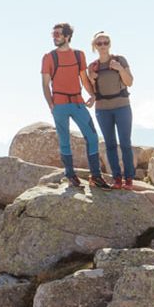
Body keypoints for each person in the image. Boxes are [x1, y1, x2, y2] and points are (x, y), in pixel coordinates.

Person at [40, 23, 108, 189]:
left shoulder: (79, 55)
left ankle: (96, 176)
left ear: (67, 36)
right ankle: (70, 174)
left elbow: (84, 79)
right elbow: (45, 84)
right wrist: (51, 105)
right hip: (60, 105)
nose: (54, 36)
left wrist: (92, 95)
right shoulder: (49, 57)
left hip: (78, 103)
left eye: (58, 34)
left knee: (92, 137)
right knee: (64, 141)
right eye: (53, 34)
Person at [87, 32, 136, 189]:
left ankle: (128, 179)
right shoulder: (92, 66)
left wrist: (120, 69)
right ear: (95, 46)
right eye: (99, 43)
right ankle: (116, 179)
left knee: (125, 143)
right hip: (102, 110)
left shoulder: (119, 60)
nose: (103, 45)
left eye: (105, 42)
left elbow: (130, 82)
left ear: (109, 43)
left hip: (122, 107)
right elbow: (93, 90)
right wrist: (91, 81)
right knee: (110, 145)